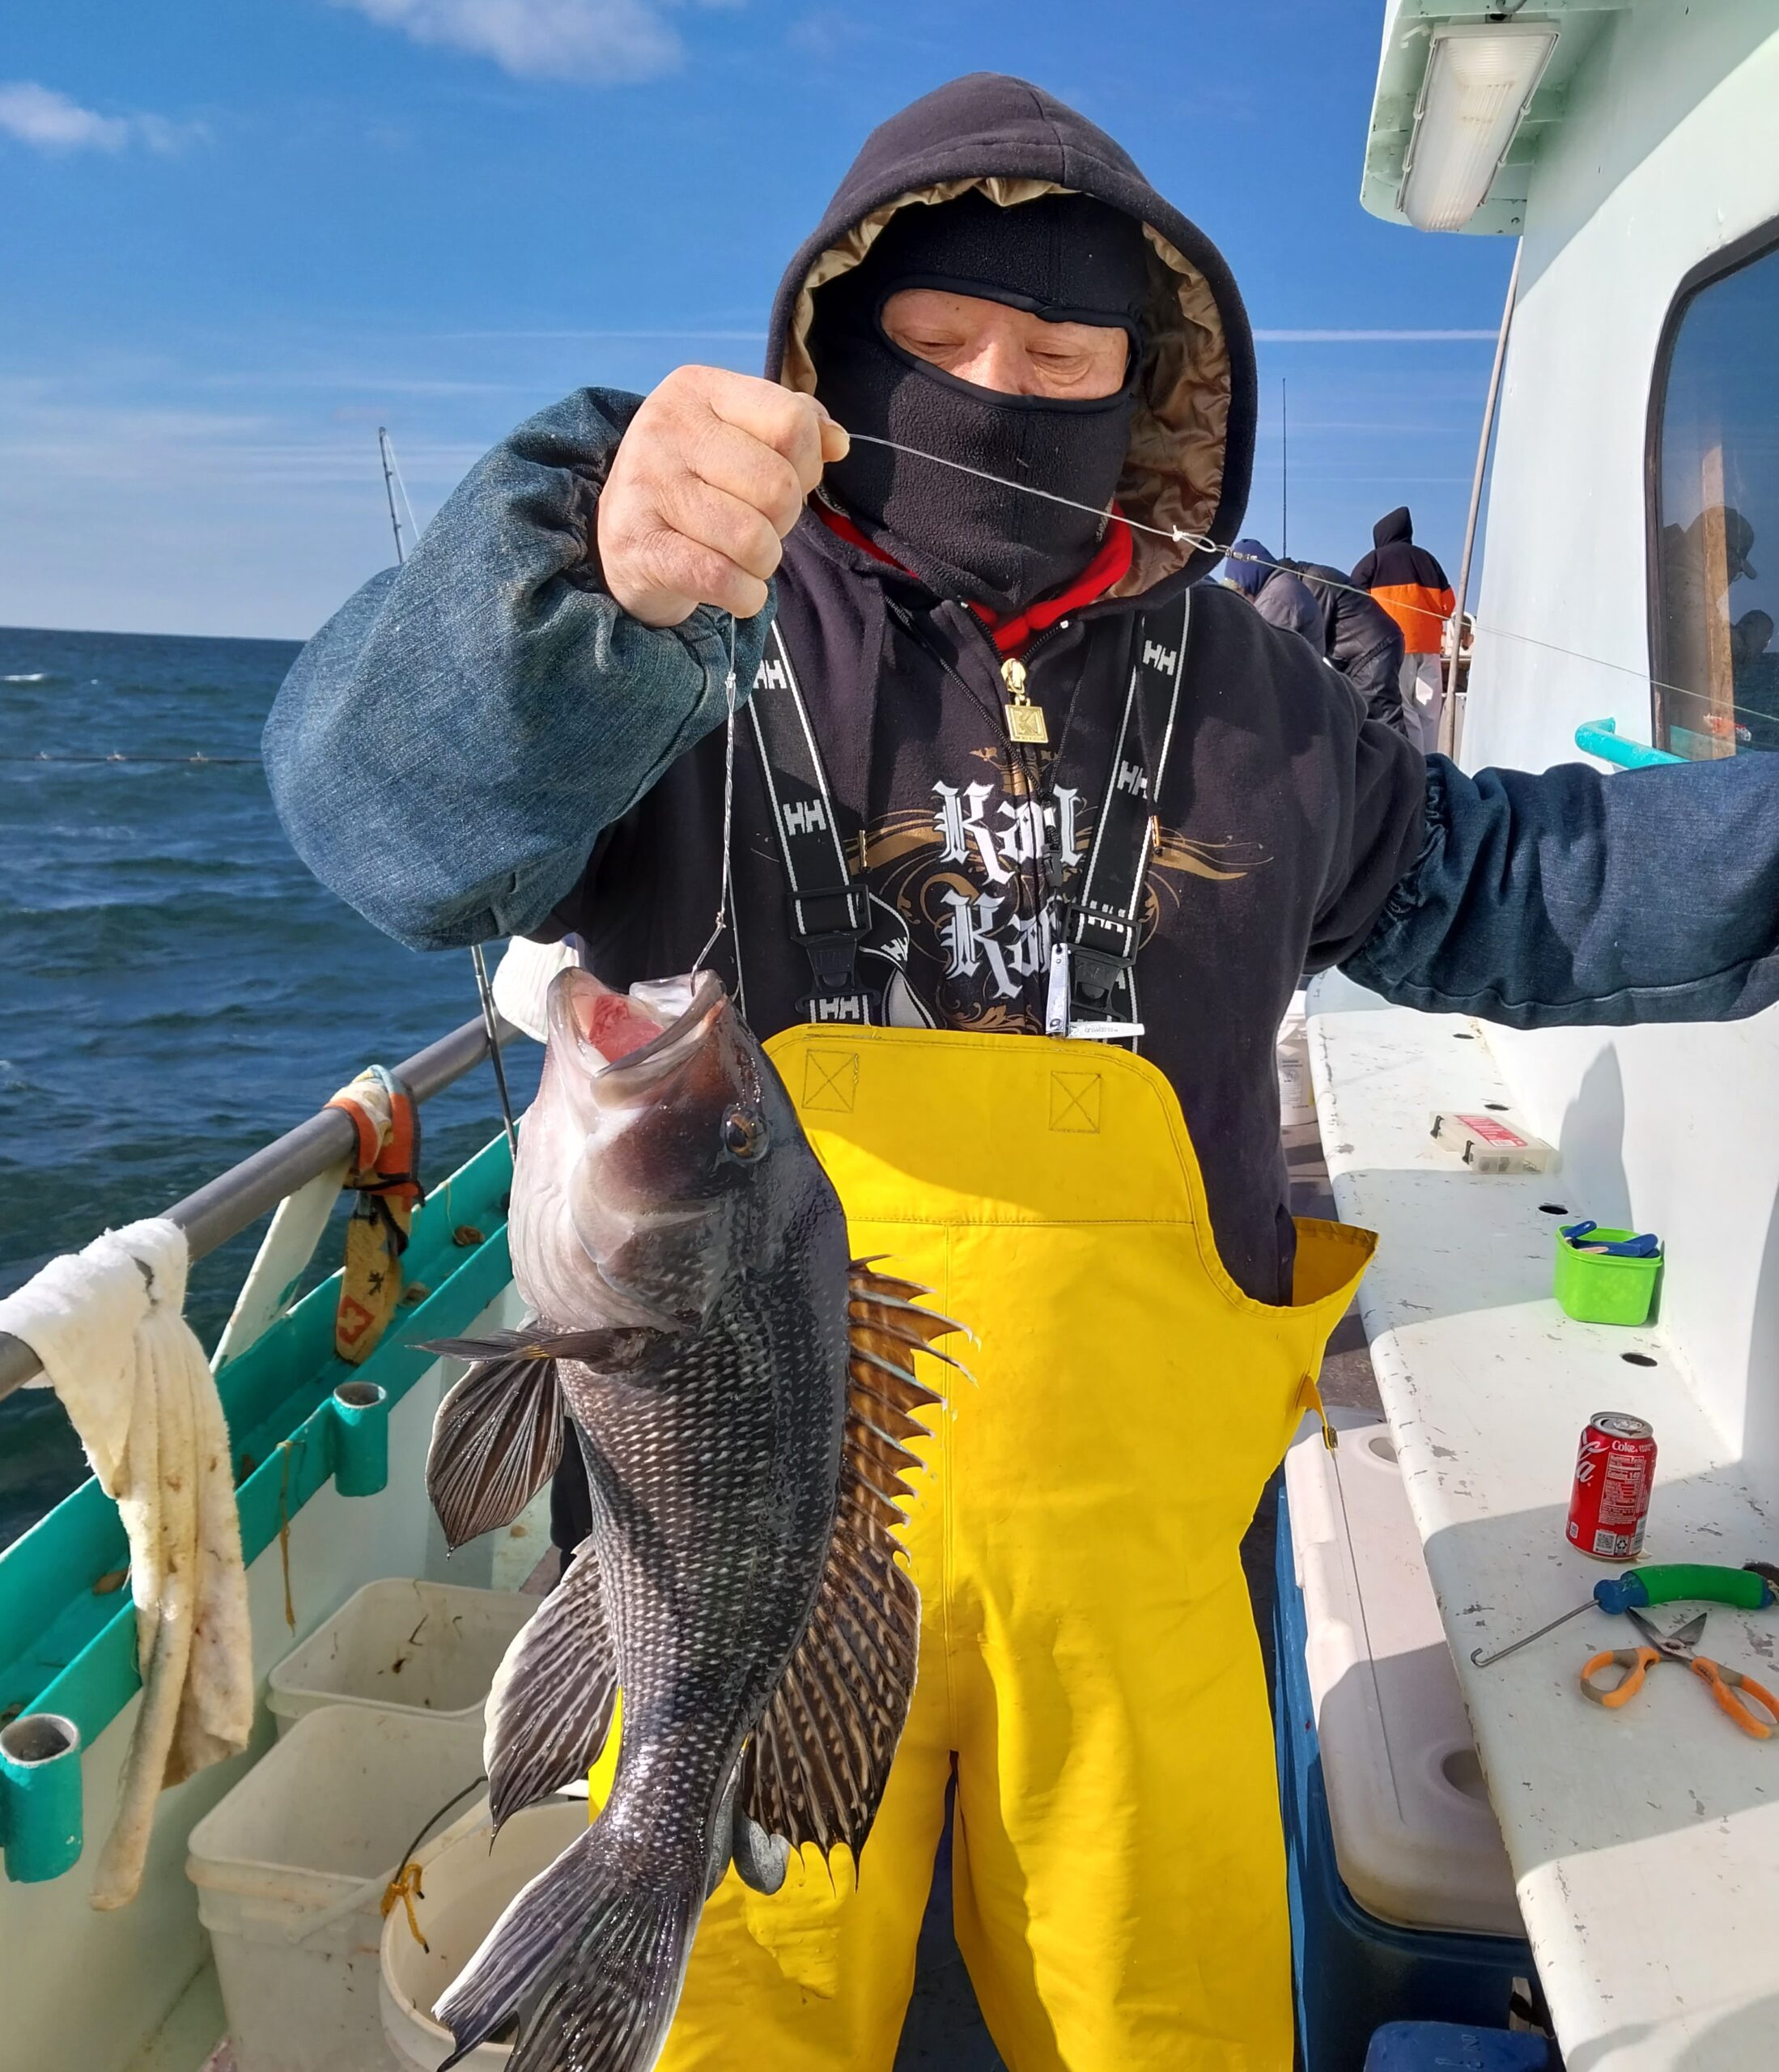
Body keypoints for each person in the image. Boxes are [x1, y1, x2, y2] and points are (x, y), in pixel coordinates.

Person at [264, 74, 1779, 2072]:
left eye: (1064, 355)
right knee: (736, 2016)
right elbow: (377, 822)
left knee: (1157, 2017)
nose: (1000, 388)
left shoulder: (1264, 694)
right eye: (942, 335)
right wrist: (568, 561)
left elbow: (1505, 882)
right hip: (736, 1550)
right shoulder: (684, 624)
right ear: (836, 340)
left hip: (1136, 1586)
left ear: (1150, 387)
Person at [1352, 505, 1454, 750]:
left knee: (1405, 709)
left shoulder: (1373, 562)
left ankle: (1415, 764)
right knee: (1429, 712)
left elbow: (1353, 602)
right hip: (1430, 647)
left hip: (1394, 646)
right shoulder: (1429, 560)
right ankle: (1431, 762)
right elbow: (1448, 606)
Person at [1289, 556, 1412, 739]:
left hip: (1371, 651)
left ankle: (1403, 758)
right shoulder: (1316, 576)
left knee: (1383, 719)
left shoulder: (1313, 582)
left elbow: (1316, 633)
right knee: (1373, 718)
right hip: (1372, 648)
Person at [1223, 536, 1323, 646]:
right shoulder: (1281, 586)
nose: (1242, 602)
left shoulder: (1276, 600)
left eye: (1241, 592)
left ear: (1249, 582)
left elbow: (1258, 648)